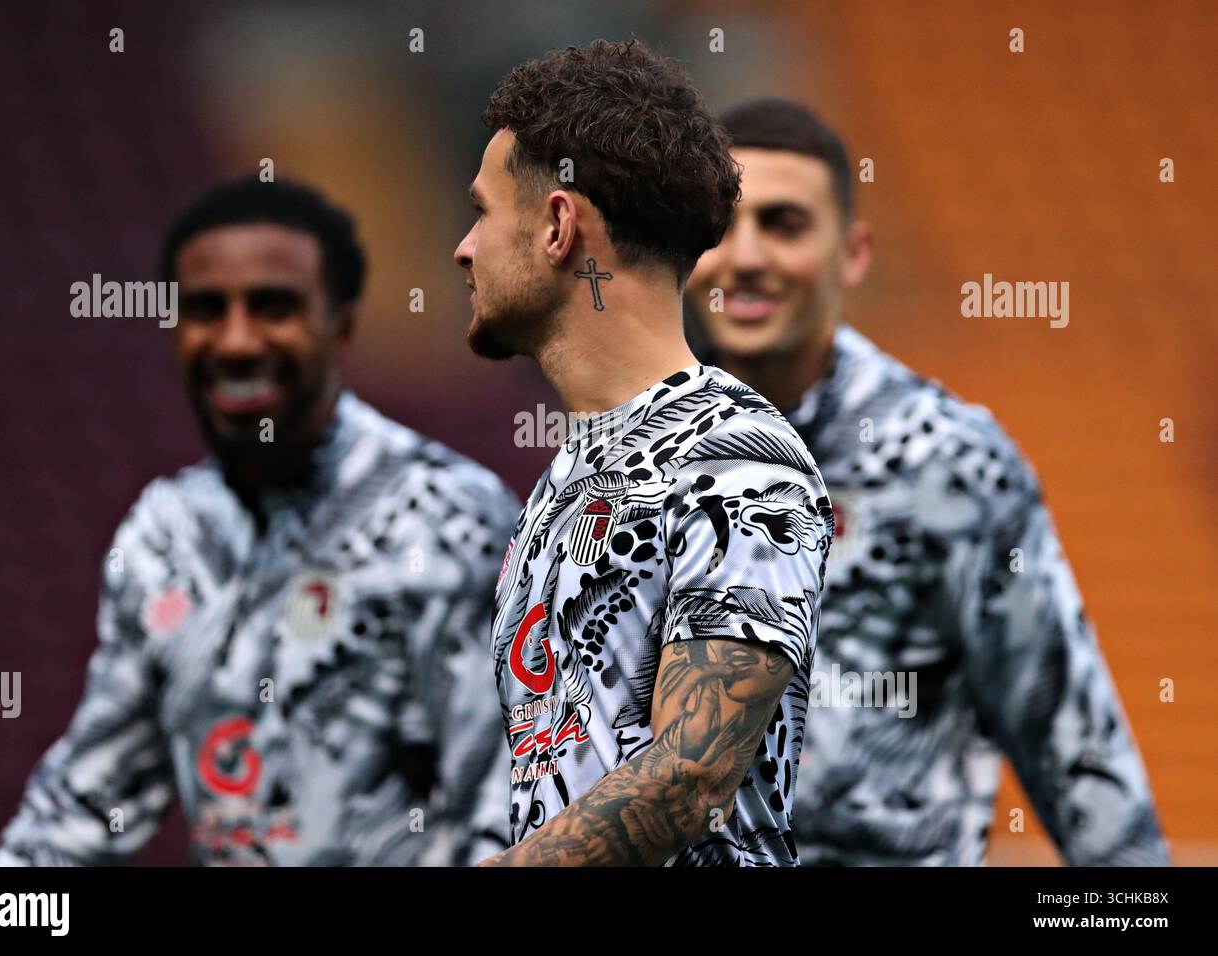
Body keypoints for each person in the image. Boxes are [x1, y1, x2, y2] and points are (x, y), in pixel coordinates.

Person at [684, 97, 1169, 865]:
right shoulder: (635, 452)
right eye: (719, 227)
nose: (745, 257)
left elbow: (1068, 730)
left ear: (853, 252)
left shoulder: (946, 459)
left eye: (784, 224)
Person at [0, 178, 518, 866]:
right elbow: (87, 806)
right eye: (208, 310)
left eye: (273, 307)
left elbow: (509, 811)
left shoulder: (449, 519)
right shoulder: (162, 535)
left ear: (342, 324)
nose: (236, 342)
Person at [454, 41, 833, 866]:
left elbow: (691, 775)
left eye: (483, 213)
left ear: (558, 226)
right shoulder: (562, 482)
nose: (464, 248)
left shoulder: (738, 457)